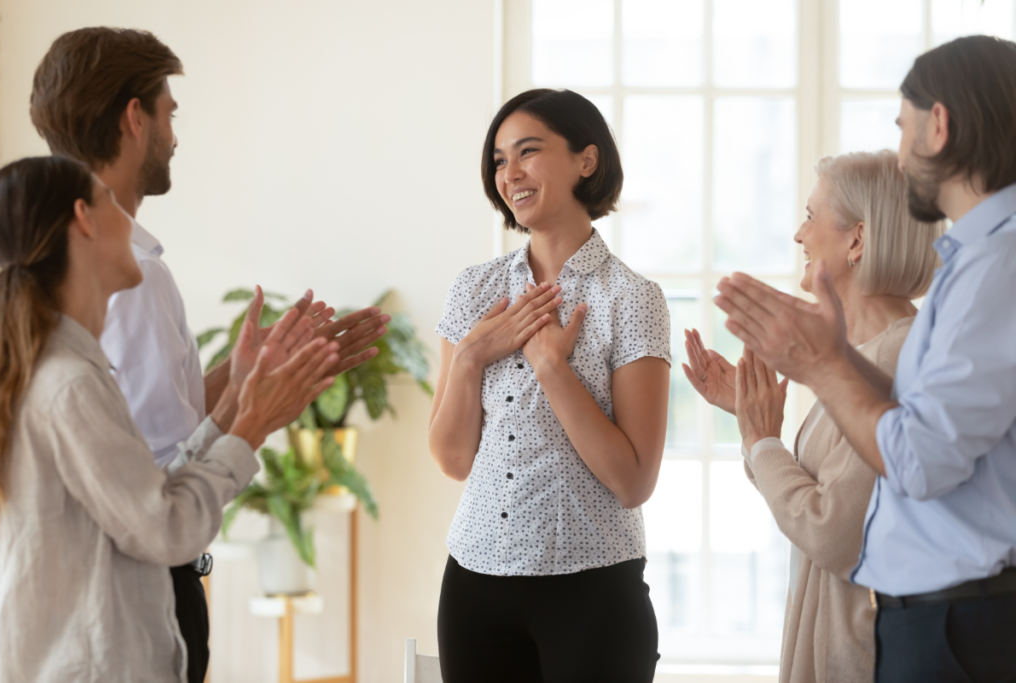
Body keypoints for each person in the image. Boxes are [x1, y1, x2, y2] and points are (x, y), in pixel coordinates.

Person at [28, 28, 391, 682]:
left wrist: (252, 375)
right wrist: (256, 411)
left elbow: (143, 427)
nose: (175, 135)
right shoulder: (129, 275)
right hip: (139, 592)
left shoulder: (75, 276)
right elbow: (162, 483)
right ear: (133, 119)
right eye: (169, 114)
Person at [714, 36, 1016, 681]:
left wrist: (821, 368)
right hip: (940, 620)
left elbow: (918, 459)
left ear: (939, 126)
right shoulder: (977, 261)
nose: (901, 155)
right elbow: (916, 407)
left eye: (902, 127)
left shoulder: (998, 264)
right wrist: (817, 362)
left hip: (955, 627)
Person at [0, 155, 341, 681]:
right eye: (108, 200)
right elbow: (168, 528)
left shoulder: (65, 369)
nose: (131, 221)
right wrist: (251, 424)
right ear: (84, 220)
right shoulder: (67, 384)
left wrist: (233, 403)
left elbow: (142, 505)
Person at [428, 89, 671, 683]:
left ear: (586, 161)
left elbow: (633, 480)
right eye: (499, 160)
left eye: (528, 152)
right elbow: (453, 458)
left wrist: (553, 370)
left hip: (593, 591)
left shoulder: (632, 299)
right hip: (474, 585)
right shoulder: (474, 290)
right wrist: (470, 360)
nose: (510, 174)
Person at [684, 151, 943, 683]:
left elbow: (832, 532)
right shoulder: (864, 352)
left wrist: (762, 442)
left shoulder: (899, 355)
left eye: (810, 215)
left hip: (863, 656)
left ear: (857, 240)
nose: (799, 235)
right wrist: (752, 421)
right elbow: (817, 503)